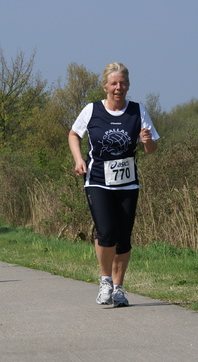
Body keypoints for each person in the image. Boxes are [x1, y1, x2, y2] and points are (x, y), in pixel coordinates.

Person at [68, 62, 159, 307]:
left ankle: (119, 289)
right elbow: (74, 134)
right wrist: (78, 160)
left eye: (123, 83)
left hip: (128, 183)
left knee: (124, 238)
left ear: (128, 85)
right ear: (105, 86)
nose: (119, 88)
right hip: (97, 180)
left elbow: (151, 149)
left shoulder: (138, 111)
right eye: (114, 84)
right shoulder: (92, 110)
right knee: (106, 231)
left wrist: (147, 141)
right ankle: (105, 281)